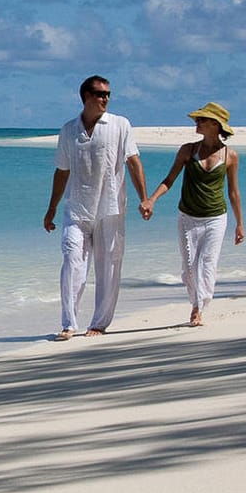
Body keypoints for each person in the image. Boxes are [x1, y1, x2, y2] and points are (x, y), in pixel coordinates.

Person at [42, 75, 148, 340]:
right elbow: (62, 170)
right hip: (76, 209)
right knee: (71, 259)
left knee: (109, 265)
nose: (106, 99)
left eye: (108, 94)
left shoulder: (120, 125)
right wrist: (52, 208)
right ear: (86, 96)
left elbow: (133, 162)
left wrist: (144, 198)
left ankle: (99, 323)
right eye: (101, 94)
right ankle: (69, 323)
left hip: (110, 207)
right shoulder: (68, 130)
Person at [138, 102, 244, 327]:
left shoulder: (230, 156)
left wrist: (239, 224)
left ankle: (198, 308)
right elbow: (169, 180)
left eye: (201, 120)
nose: (196, 123)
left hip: (216, 217)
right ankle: (196, 300)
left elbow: (233, 192)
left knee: (207, 263)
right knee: (188, 268)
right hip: (188, 217)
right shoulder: (187, 150)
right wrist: (151, 200)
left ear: (215, 125)